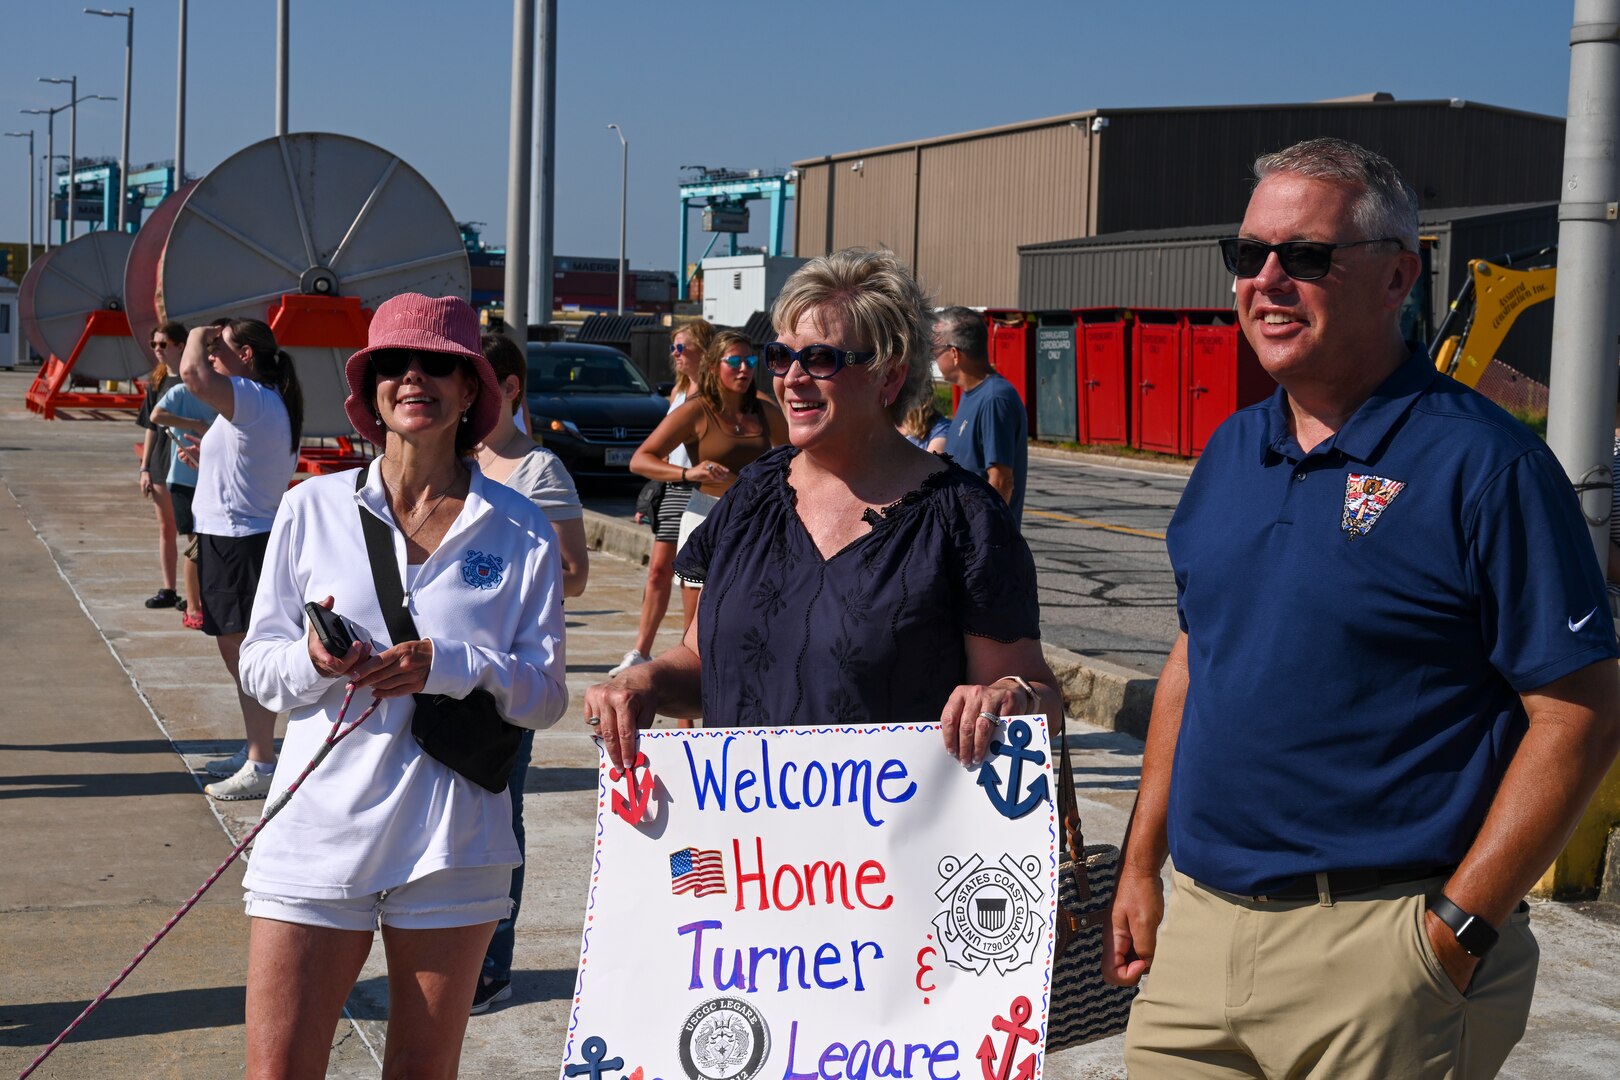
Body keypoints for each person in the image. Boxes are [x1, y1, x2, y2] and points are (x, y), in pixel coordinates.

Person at [1104, 138, 1620, 1079]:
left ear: (1397, 277)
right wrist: (1143, 862)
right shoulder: (1228, 453)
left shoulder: (1486, 465)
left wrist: (1455, 933)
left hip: (1383, 952)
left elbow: (1579, 712)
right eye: (1247, 254)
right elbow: (1195, 656)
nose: (1266, 281)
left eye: (1305, 257)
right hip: (1199, 941)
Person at [236, 293, 569, 1078]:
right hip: (316, 830)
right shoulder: (309, 506)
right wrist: (313, 664)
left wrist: (450, 665)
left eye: (438, 364)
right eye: (393, 362)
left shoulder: (520, 526)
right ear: (371, 387)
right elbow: (259, 665)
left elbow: (546, 695)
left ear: (469, 391)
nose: (413, 376)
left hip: (453, 840)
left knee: (421, 1068)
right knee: (277, 1068)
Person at [585, 248, 1060, 773]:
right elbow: (705, 662)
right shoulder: (753, 496)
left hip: (892, 843)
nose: (791, 378)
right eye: (781, 356)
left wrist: (1006, 699)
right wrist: (641, 682)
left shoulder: (963, 518)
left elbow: (1037, 692)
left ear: (890, 377)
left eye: (820, 359)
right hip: (746, 842)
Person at [469, 330, 589, 1014]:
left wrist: (495, 576)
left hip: (510, 676)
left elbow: (573, 575)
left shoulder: (539, 471)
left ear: (509, 388)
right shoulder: (453, 459)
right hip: (443, 672)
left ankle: (492, 965)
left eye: (481, 381)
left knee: (499, 815)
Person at [176, 318, 303, 799]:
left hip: (239, 542)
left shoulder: (252, 396)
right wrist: (205, 460)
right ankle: (258, 747)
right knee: (238, 657)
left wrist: (196, 332)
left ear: (246, 354)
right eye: (209, 346)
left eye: (219, 347)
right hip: (230, 539)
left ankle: (262, 764)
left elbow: (191, 375)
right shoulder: (257, 401)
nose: (210, 354)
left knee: (247, 656)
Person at [633, 328, 788, 585]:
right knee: (698, 620)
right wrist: (688, 474)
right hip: (706, 515)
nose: (744, 369)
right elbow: (640, 459)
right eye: (735, 362)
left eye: (750, 362)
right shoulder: (695, 410)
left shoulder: (762, 409)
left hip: (755, 518)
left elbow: (796, 455)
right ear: (715, 366)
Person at [611, 320, 711, 678]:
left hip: (701, 491)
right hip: (673, 485)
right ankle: (641, 649)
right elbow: (659, 451)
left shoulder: (715, 396)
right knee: (656, 572)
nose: (675, 355)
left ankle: (693, 654)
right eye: (674, 348)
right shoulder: (679, 392)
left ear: (703, 348)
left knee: (691, 580)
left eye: (681, 347)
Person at [934, 306, 1028, 524]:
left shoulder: (994, 399)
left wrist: (980, 541)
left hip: (980, 548)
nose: (934, 357)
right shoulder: (972, 395)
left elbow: (1001, 482)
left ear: (955, 354)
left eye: (936, 350)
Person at [151, 355, 219, 633]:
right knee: (196, 546)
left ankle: (203, 601)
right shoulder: (180, 392)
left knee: (206, 546)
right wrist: (194, 424)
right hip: (184, 480)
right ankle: (193, 606)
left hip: (212, 477)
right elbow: (156, 416)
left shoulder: (223, 394)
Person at [134, 322, 184, 609]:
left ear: (180, 345)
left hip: (187, 464)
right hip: (160, 463)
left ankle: (196, 594)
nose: (157, 350)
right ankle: (169, 588)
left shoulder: (196, 380)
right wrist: (144, 468)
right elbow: (150, 427)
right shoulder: (158, 380)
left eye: (163, 344)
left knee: (192, 532)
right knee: (166, 528)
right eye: (154, 345)